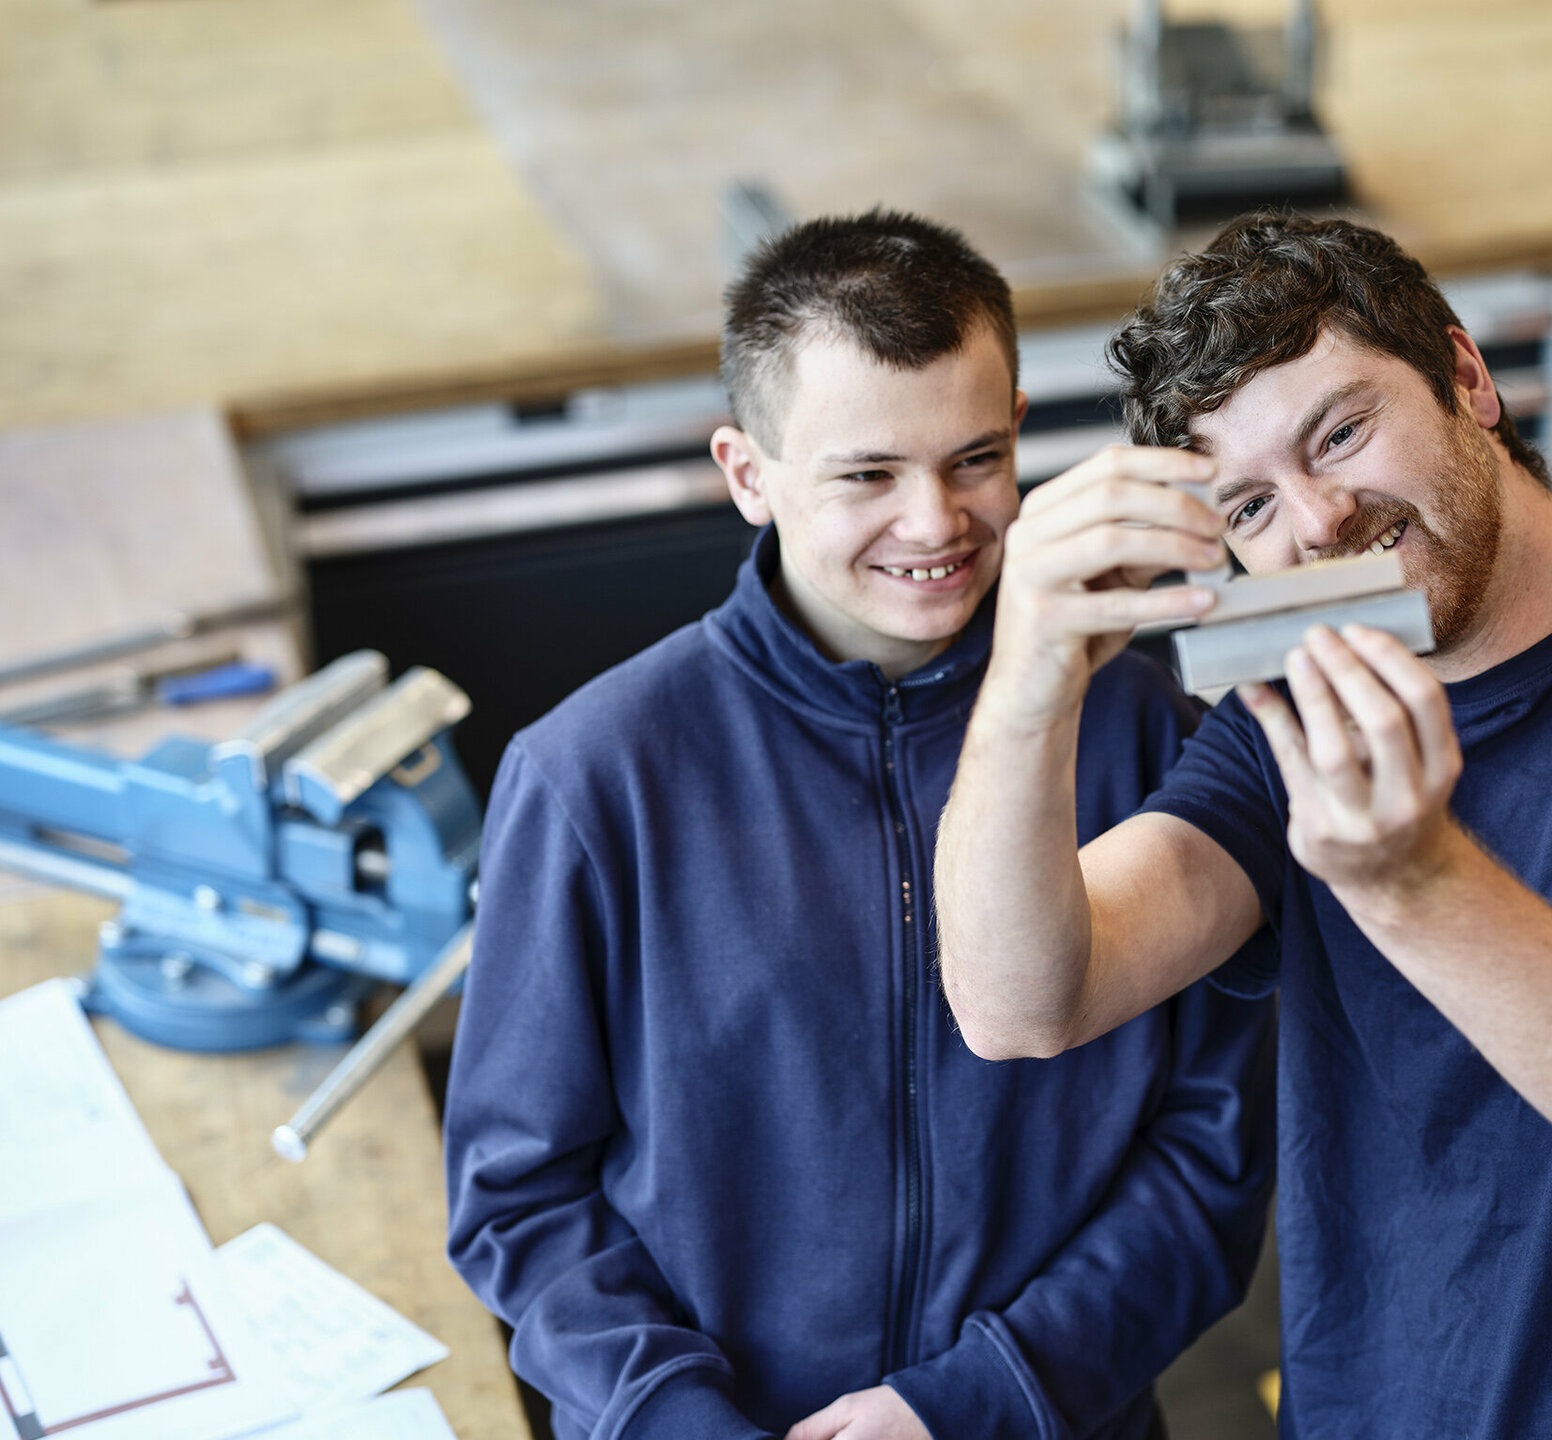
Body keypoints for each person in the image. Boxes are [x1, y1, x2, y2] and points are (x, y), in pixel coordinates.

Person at [936, 212, 1552, 1439]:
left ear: (1468, 377)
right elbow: (1022, 1000)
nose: (1318, 521)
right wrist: (1028, 678)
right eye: (1249, 508)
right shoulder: (1296, 712)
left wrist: (1417, 885)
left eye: (1341, 432)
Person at [442, 210, 1275, 1440]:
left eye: (975, 459)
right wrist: (677, 1416)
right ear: (747, 474)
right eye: (868, 475)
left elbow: (1214, 1150)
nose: (935, 523)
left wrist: (983, 1398)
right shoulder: (594, 778)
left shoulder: (1149, 736)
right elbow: (518, 1199)